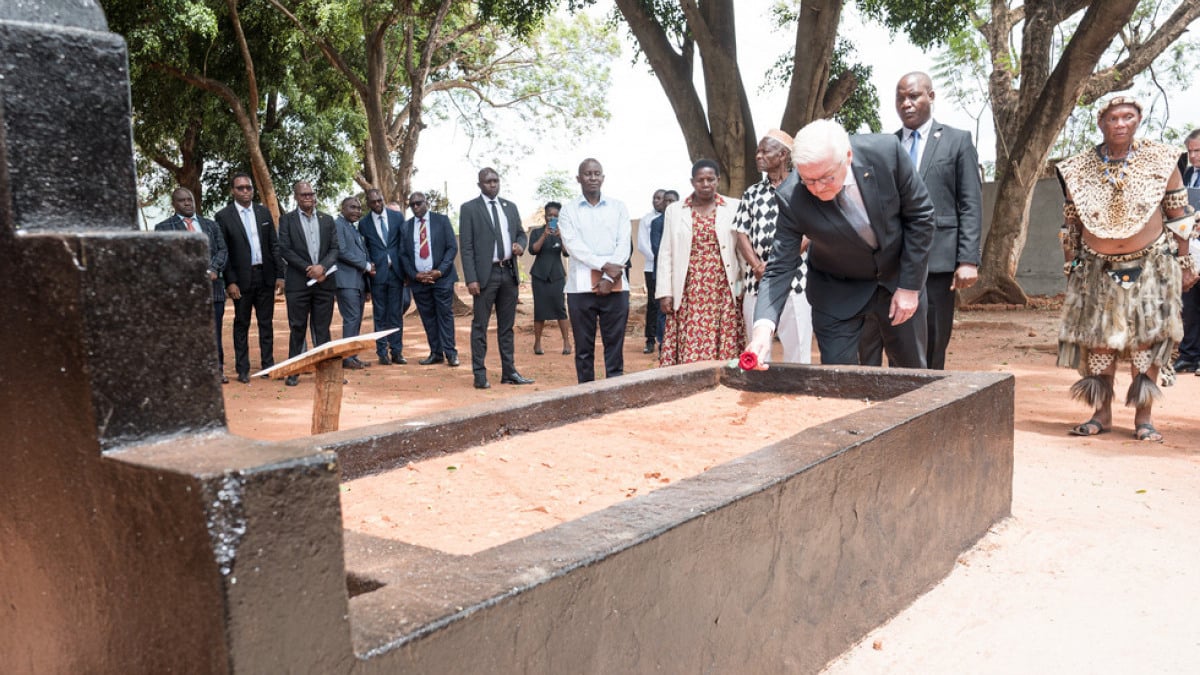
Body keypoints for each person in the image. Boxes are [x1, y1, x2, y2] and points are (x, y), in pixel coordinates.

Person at [1055, 96, 1197, 442]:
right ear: (1101, 122)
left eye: (1128, 117)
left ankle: (1143, 419)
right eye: (1113, 117)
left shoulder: (1163, 161)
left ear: (1138, 119)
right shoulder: (1078, 167)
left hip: (1151, 266)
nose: (1120, 123)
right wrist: (1072, 262)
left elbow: (1179, 215)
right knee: (1099, 343)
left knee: (1144, 343)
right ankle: (1100, 414)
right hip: (1095, 267)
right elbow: (1072, 220)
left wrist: (1185, 263)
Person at [746, 119, 936, 369]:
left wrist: (910, 287)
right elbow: (780, 266)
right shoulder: (792, 196)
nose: (816, 188)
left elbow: (920, 216)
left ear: (847, 156)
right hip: (836, 290)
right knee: (838, 379)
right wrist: (762, 330)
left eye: (826, 178)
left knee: (911, 373)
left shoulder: (886, 153)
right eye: (808, 180)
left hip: (897, 279)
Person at [859, 72, 983, 370]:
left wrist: (968, 259)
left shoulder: (957, 141)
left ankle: (930, 408)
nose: (906, 103)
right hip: (891, 263)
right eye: (900, 98)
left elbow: (970, 203)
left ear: (931, 96)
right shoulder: (886, 146)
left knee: (932, 343)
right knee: (886, 340)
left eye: (913, 96)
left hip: (937, 263)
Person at [733, 129, 813, 364]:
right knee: (757, 345)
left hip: (795, 279)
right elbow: (741, 232)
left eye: (765, 151)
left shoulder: (803, 188)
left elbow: (809, 231)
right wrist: (758, 266)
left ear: (783, 155)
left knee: (797, 347)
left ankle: (798, 394)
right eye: (758, 151)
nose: (758, 155)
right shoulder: (752, 193)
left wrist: (781, 261)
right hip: (757, 281)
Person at [655, 159, 745, 365]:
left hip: (722, 286)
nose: (705, 184)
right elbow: (666, 252)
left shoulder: (733, 207)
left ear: (718, 180)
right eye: (700, 180)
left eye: (710, 179)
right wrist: (664, 292)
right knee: (691, 334)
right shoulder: (675, 211)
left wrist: (743, 287)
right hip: (689, 287)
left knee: (723, 334)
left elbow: (741, 250)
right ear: (692, 182)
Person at [557, 158, 632, 383]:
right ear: (578, 178)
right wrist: (602, 266)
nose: (592, 178)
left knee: (614, 346)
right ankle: (585, 393)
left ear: (603, 177)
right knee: (583, 348)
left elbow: (623, 244)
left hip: (616, 287)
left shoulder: (618, 207)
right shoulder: (568, 211)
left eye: (596, 173)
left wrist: (609, 276)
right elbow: (573, 246)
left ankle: (614, 391)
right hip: (580, 289)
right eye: (587, 174)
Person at [458, 167, 534, 389]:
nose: (492, 184)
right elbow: (467, 247)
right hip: (485, 276)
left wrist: (521, 245)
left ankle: (509, 372)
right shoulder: (469, 208)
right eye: (488, 181)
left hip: (508, 273)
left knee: (506, 327)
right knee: (480, 325)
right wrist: (471, 278)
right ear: (479, 184)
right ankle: (479, 374)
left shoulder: (509, 207)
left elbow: (520, 232)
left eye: (495, 180)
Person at [215, 172, 284, 384]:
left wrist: (280, 275)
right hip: (241, 280)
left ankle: (268, 364)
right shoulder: (224, 216)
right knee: (241, 324)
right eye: (240, 188)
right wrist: (231, 282)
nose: (246, 191)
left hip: (265, 276)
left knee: (266, 323)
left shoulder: (263, 213)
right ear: (232, 191)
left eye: (249, 187)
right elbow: (224, 251)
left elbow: (274, 245)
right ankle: (242, 369)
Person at [155, 187, 229, 383]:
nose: (187, 203)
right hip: (184, 293)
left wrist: (213, 269)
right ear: (174, 204)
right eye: (182, 200)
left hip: (213, 290)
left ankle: (217, 371)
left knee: (214, 333)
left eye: (190, 199)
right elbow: (165, 260)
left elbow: (223, 250)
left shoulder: (211, 225)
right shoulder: (163, 228)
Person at [276, 181, 339, 386]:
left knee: (323, 329)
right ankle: (295, 369)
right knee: (297, 328)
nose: (308, 198)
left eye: (311, 194)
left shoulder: (327, 220)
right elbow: (285, 249)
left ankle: (327, 370)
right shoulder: (287, 220)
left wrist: (322, 267)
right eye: (303, 195)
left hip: (324, 282)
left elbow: (335, 249)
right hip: (298, 284)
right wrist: (308, 268)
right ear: (296, 197)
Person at [399, 191, 460, 367]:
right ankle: (436, 353)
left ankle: (451, 354)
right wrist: (414, 274)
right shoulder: (406, 227)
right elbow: (403, 255)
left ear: (426, 203)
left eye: (419, 203)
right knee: (428, 317)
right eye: (412, 205)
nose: (416, 207)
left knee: (445, 315)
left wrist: (439, 271)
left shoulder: (441, 221)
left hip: (441, 278)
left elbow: (451, 248)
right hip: (419, 281)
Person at [359, 188, 408, 365]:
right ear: (368, 204)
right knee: (379, 315)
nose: (378, 204)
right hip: (377, 275)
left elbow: (404, 244)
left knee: (396, 314)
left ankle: (397, 351)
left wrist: (406, 271)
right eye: (374, 202)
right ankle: (382, 353)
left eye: (380, 200)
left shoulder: (397, 218)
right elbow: (364, 249)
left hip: (396, 273)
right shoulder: (364, 224)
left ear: (383, 199)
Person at [527, 201, 572, 356]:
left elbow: (567, 253)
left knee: (561, 308)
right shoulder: (536, 232)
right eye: (549, 215)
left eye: (555, 216)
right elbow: (533, 250)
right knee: (539, 310)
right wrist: (544, 235)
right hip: (539, 275)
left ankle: (566, 342)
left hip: (557, 276)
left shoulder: (563, 233)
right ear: (545, 216)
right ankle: (537, 343)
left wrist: (562, 237)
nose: (552, 217)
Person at [333, 196, 372, 370]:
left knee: (356, 320)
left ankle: (352, 356)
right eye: (352, 207)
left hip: (359, 282)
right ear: (343, 208)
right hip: (346, 281)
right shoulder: (338, 225)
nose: (357, 211)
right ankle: (347, 358)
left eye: (359, 208)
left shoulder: (353, 228)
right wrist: (366, 265)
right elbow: (341, 251)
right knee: (351, 319)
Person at [1174, 128, 1200, 374]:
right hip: (1189, 247)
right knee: (1189, 301)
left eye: (1198, 151)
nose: (1193, 156)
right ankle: (1189, 355)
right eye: (1190, 151)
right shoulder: (1187, 174)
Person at [636, 189, 667, 353]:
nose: (657, 201)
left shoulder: (674, 218)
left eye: (660, 198)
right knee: (653, 304)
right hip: (651, 267)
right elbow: (642, 244)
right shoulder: (647, 220)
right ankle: (650, 340)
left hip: (669, 268)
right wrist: (658, 259)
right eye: (654, 198)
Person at [648, 190, 680, 347]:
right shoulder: (657, 223)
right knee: (662, 311)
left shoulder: (684, 221)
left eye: (672, 201)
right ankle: (662, 343)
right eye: (666, 201)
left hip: (682, 274)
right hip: (662, 274)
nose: (668, 204)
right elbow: (657, 250)